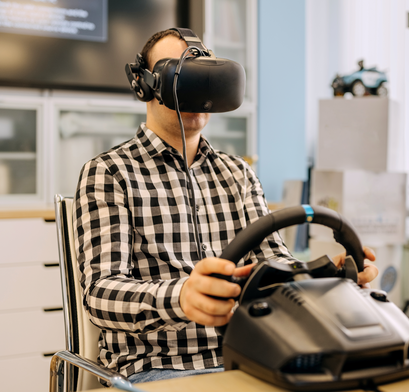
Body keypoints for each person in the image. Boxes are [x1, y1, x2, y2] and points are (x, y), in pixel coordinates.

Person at [73, 29, 379, 384]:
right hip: (157, 368)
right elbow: (100, 294)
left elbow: (273, 263)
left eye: (202, 74)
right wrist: (181, 296)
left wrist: (323, 276)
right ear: (144, 85)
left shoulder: (238, 173)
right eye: (180, 75)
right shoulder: (109, 172)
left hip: (250, 358)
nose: (196, 87)